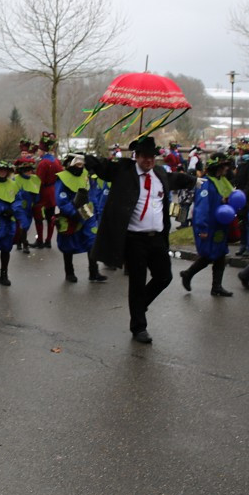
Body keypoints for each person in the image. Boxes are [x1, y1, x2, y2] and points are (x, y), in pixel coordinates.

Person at [85, 135, 197, 344]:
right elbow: (103, 167)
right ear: (136, 156)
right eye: (144, 156)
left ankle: (139, 305)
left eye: (152, 157)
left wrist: (194, 180)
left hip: (157, 238)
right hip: (134, 238)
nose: (148, 160)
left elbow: (177, 179)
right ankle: (139, 327)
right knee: (137, 282)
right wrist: (85, 158)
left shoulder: (160, 174)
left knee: (164, 276)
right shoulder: (124, 170)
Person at [180, 156, 236, 296]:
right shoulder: (205, 183)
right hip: (208, 226)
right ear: (218, 167)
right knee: (208, 255)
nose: (227, 168)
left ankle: (216, 286)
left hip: (219, 225)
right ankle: (188, 274)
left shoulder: (221, 182)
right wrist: (202, 228)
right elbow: (201, 208)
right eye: (225, 166)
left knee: (221, 254)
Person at [54, 154, 104, 283]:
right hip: (70, 212)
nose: (80, 167)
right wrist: (72, 212)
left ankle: (94, 272)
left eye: (81, 164)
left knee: (92, 239)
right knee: (68, 242)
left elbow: (92, 195)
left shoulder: (86, 176)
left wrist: (96, 211)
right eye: (77, 164)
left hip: (86, 210)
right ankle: (69, 272)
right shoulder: (62, 178)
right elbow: (61, 199)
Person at [33, 131, 62, 249]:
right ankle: (48, 240)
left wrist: (36, 195)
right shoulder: (56, 161)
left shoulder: (43, 163)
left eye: (39, 150)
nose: (38, 152)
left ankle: (40, 239)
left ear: (42, 151)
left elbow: (39, 180)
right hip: (53, 190)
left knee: (38, 216)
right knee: (51, 215)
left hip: (43, 191)